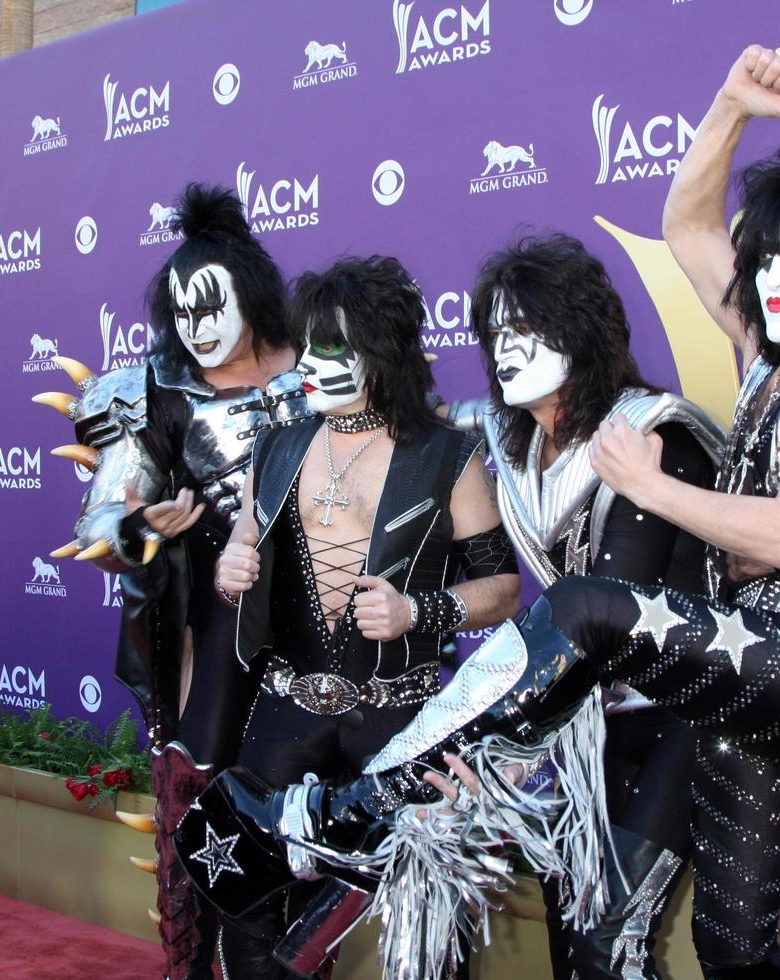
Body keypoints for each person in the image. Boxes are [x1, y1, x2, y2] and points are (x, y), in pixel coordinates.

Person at [179, 44, 780, 980]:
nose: (777, 273)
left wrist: (652, 484)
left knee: (583, 605)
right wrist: (730, 105)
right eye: (769, 251)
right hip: (750, 685)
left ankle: (367, 810)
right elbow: (686, 219)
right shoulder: (767, 353)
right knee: (732, 948)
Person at [196, 255, 521, 978]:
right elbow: (244, 541)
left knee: (422, 906)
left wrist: (420, 610)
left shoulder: (448, 456)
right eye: (306, 345)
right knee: (246, 892)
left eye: (330, 347)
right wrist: (231, 566)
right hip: (285, 710)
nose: (308, 364)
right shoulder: (278, 446)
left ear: (381, 352)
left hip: (397, 720)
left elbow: (504, 587)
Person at [34, 184, 308, 979]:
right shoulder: (151, 391)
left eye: (211, 303)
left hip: (331, 626)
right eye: (182, 311)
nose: (198, 325)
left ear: (251, 295)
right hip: (218, 629)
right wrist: (141, 530)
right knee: (203, 800)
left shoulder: (327, 369)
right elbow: (99, 532)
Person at [447, 232, 723, 979]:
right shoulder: (513, 447)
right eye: (496, 333)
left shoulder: (650, 431)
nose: (505, 349)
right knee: (572, 947)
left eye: (527, 330)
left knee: (608, 942)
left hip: (686, 711)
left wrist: (493, 737)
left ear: (581, 329)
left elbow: (610, 619)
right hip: (579, 726)